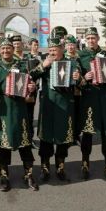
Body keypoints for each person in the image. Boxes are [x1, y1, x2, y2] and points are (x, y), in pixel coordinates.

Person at [0, 38, 38, 191]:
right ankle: (4, 177)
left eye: (8, 48)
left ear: (13, 49)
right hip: (3, 110)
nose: (5, 51)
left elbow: (30, 87)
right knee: (3, 146)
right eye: (3, 49)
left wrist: (32, 87)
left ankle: (28, 175)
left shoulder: (22, 67)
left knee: (25, 144)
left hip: (20, 110)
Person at [30, 36, 78, 182]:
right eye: (50, 50)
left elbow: (81, 83)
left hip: (65, 106)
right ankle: (45, 168)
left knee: (63, 138)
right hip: (48, 106)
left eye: (55, 50)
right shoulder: (44, 62)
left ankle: (60, 166)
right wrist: (43, 65)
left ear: (62, 50)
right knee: (46, 138)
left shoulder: (72, 63)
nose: (52, 53)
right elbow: (30, 76)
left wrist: (79, 77)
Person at [77, 27, 106, 181]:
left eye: (93, 37)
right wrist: (83, 77)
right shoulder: (80, 56)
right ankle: (85, 163)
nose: (91, 40)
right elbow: (76, 80)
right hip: (89, 98)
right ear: (85, 40)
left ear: (98, 38)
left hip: (105, 97)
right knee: (87, 133)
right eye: (88, 38)